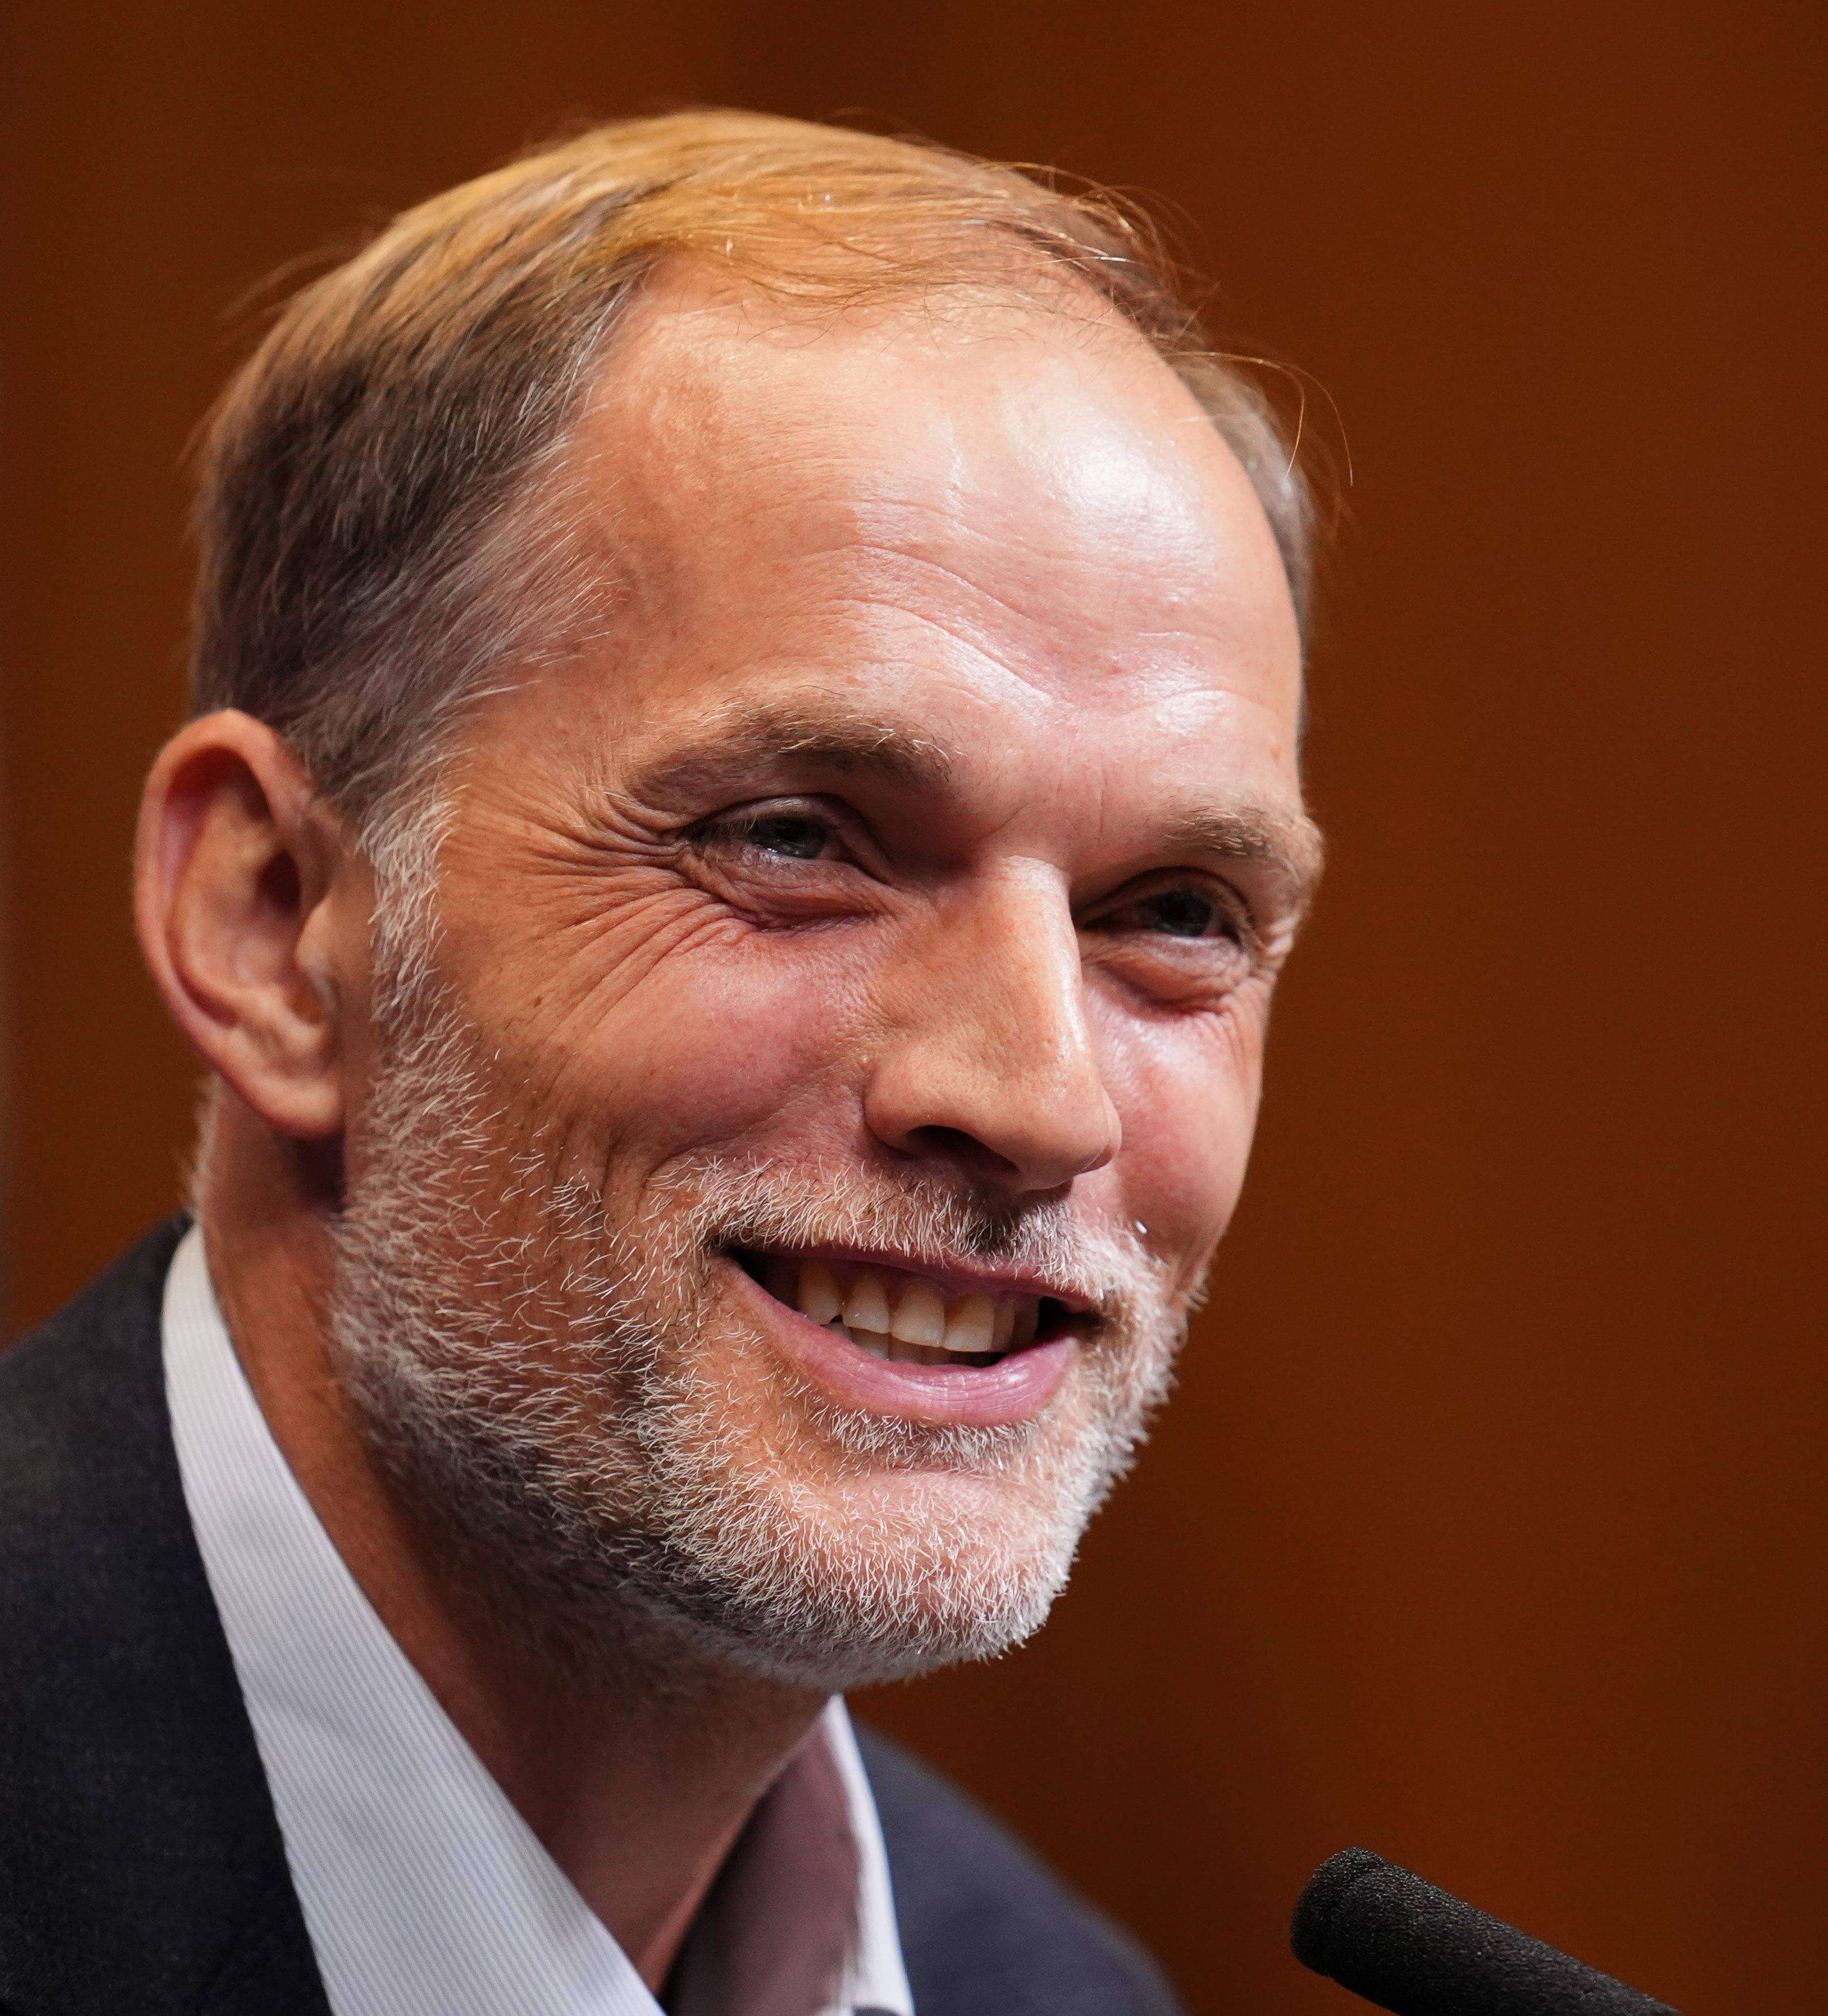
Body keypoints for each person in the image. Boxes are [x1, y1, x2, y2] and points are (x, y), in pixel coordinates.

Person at [0, 108, 1322, 2016]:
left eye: (1178, 909)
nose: (1044, 1100)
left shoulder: (1054, 1991)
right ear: (279, 926)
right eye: (798, 838)